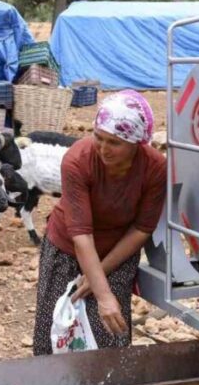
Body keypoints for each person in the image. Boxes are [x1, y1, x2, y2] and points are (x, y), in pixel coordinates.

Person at [33, 90, 166, 355]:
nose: (103, 149)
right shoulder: (78, 160)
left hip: (117, 252)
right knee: (55, 330)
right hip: (68, 248)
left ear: (136, 143)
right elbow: (81, 235)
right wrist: (102, 294)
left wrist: (99, 279)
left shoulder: (154, 168)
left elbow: (142, 229)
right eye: (99, 138)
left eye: (114, 143)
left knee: (110, 332)